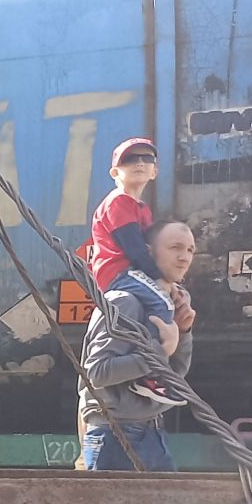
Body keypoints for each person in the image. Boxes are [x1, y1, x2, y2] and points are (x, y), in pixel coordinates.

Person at [79, 219, 197, 472]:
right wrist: (161, 350)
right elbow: (97, 373)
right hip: (116, 436)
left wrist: (183, 333)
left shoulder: (165, 305)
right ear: (148, 252)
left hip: (152, 432)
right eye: (175, 247)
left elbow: (174, 376)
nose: (184, 257)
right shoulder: (124, 301)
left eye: (190, 250)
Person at [89, 137, 183, 409]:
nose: (139, 163)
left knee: (159, 303)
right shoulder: (118, 202)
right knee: (162, 303)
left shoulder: (140, 207)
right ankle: (148, 374)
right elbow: (133, 247)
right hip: (118, 271)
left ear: (154, 171)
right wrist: (160, 278)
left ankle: (144, 366)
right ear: (114, 172)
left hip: (129, 271)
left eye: (147, 159)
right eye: (130, 159)